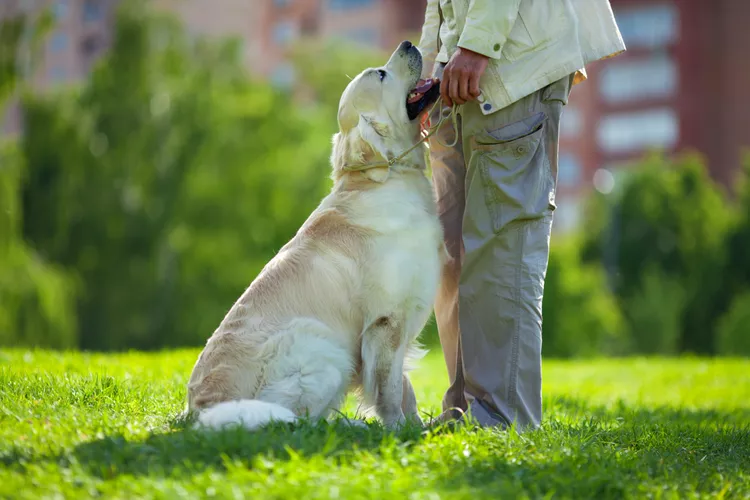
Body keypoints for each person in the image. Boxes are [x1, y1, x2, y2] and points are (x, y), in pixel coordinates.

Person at [418, 0, 626, 430]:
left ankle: (503, 417)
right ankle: (464, 411)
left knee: (502, 246)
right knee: (453, 252)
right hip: (453, 72)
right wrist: (427, 66)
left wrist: (477, 44)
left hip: (510, 62)